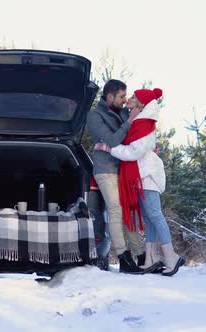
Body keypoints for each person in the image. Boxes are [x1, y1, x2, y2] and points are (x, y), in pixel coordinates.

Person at [95, 88, 185, 276]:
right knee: (150, 219)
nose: (130, 98)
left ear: (141, 104)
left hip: (148, 175)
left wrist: (108, 148)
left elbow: (133, 152)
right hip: (140, 175)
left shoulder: (143, 123)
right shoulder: (139, 121)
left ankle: (171, 257)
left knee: (155, 215)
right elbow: (136, 145)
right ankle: (150, 258)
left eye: (134, 97)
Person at [87, 79, 145, 274]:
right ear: (109, 96)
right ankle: (123, 257)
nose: (124, 100)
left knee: (129, 210)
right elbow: (112, 140)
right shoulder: (95, 116)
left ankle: (142, 255)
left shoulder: (122, 111)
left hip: (125, 169)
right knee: (116, 210)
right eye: (121, 97)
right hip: (105, 169)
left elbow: (131, 135)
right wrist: (129, 121)